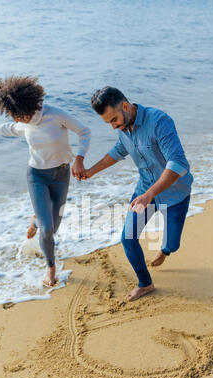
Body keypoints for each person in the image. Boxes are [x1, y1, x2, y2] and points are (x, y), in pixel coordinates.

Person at [0, 75, 91, 287]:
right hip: (36, 176)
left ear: (29, 106)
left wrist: (80, 159)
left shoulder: (55, 115)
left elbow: (84, 131)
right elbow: (10, 129)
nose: (17, 119)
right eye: (13, 115)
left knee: (51, 228)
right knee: (48, 230)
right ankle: (50, 267)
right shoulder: (22, 121)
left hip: (61, 176)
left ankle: (35, 220)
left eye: (19, 115)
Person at [84, 86, 193, 301]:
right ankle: (145, 283)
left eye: (114, 119)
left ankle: (166, 250)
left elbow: (178, 163)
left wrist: (150, 194)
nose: (114, 126)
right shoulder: (124, 129)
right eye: (109, 123)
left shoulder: (159, 121)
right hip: (145, 188)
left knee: (173, 243)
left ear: (125, 106)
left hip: (176, 193)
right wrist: (90, 171)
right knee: (128, 238)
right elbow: (118, 151)